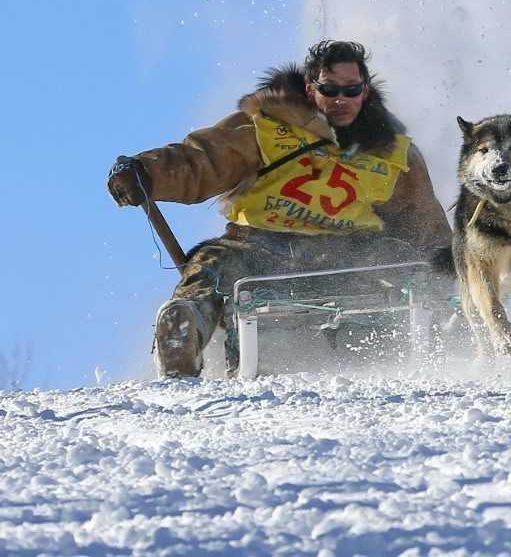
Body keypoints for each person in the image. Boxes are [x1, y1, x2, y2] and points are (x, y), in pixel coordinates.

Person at [108, 40, 452, 377]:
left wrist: (453, 267)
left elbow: (423, 222)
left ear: (365, 91)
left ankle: (455, 333)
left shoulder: (394, 154)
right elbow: (204, 160)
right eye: (330, 90)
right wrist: (146, 172)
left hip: (353, 249)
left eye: (351, 90)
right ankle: (184, 330)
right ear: (310, 88)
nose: (341, 100)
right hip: (261, 244)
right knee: (212, 266)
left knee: (411, 267)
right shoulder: (265, 128)